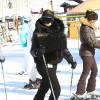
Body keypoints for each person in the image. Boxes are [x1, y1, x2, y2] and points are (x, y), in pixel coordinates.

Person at [30, 9, 77, 100]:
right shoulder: (38, 32)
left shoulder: (59, 32)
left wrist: (71, 60)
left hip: (54, 63)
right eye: (44, 19)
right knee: (56, 89)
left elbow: (63, 49)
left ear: (53, 19)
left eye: (49, 20)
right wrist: (38, 52)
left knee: (45, 86)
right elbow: (32, 51)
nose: (47, 22)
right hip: (43, 63)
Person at [74, 10, 100, 99]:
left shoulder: (89, 26)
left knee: (95, 70)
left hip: (89, 52)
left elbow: (93, 40)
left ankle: (90, 90)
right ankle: (79, 93)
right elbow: (91, 42)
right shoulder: (86, 28)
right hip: (86, 52)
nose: (95, 22)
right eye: (94, 20)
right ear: (90, 19)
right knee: (86, 72)